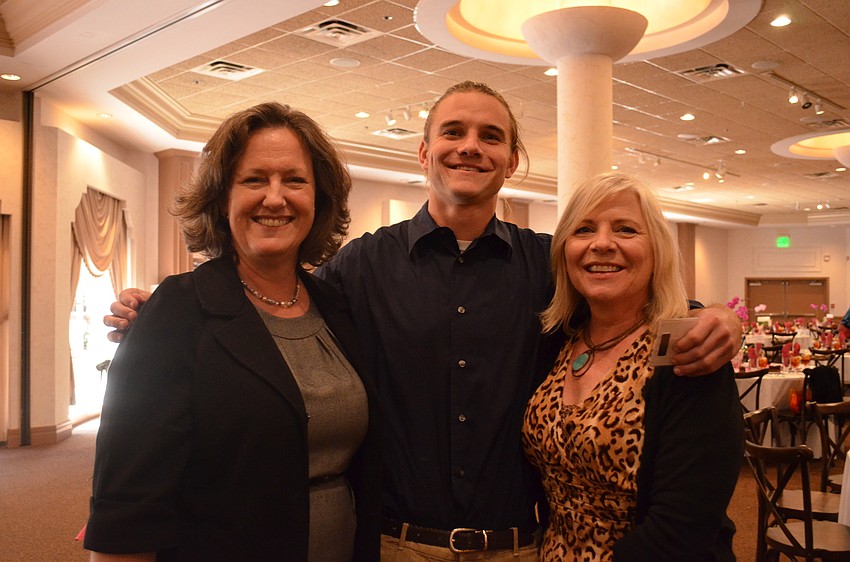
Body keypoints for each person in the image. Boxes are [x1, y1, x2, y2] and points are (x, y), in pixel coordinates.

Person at [104, 82, 741, 561]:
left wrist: (712, 316)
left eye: (491, 136)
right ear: (423, 152)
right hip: (395, 548)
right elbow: (270, 306)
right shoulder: (359, 267)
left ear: (512, 159)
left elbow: (625, 298)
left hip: (519, 549)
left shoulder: (546, 263)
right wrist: (161, 305)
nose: (470, 146)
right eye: (454, 132)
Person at [84, 102, 381, 562]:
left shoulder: (337, 308)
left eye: (295, 180)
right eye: (255, 179)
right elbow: (128, 500)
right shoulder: (176, 313)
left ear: (318, 198)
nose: (276, 198)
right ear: (223, 199)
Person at [522, 173, 743, 562]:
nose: (602, 244)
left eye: (626, 229)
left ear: (657, 251)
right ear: (564, 251)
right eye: (584, 229)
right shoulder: (557, 341)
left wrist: (721, 316)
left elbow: (684, 526)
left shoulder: (686, 349)